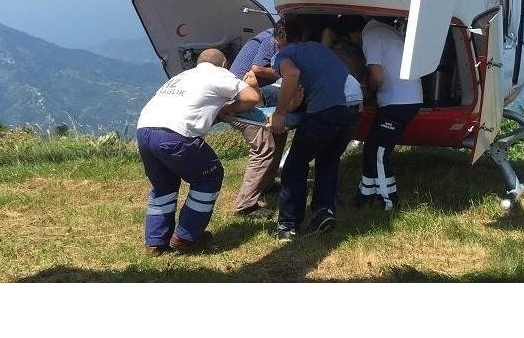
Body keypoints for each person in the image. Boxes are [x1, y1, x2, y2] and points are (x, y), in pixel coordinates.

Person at [136, 48, 261, 255]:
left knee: (163, 186)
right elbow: (251, 97)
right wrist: (228, 109)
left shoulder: (182, 76)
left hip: (144, 131)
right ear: (224, 64)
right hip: (175, 134)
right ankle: (186, 236)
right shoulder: (220, 74)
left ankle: (155, 242)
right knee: (209, 176)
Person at [269, 17, 361, 241]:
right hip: (354, 104)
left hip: (328, 108)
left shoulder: (283, 55)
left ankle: (288, 225)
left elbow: (291, 75)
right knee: (328, 160)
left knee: (294, 165)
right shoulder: (317, 49)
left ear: (279, 39)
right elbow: (302, 89)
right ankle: (323, 213)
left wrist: (279, 114)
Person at [354, 17, 424, 211]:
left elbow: (376, 76)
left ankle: (389, 201)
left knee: (379, 152)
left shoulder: (370, 35)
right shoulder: (387, 30)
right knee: (371, 147)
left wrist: (369, 92)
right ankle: (365, 193)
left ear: (355, 33)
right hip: (409, 98)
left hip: (397, 101)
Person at [227, 23, 288, 218]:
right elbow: (256, 69)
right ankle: (246, 205)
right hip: (240, 98)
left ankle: (267, 185)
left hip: (250, 95)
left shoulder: (274, 36)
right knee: (264, 147)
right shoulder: (270, 39)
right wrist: (286, 71)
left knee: (278, 131)